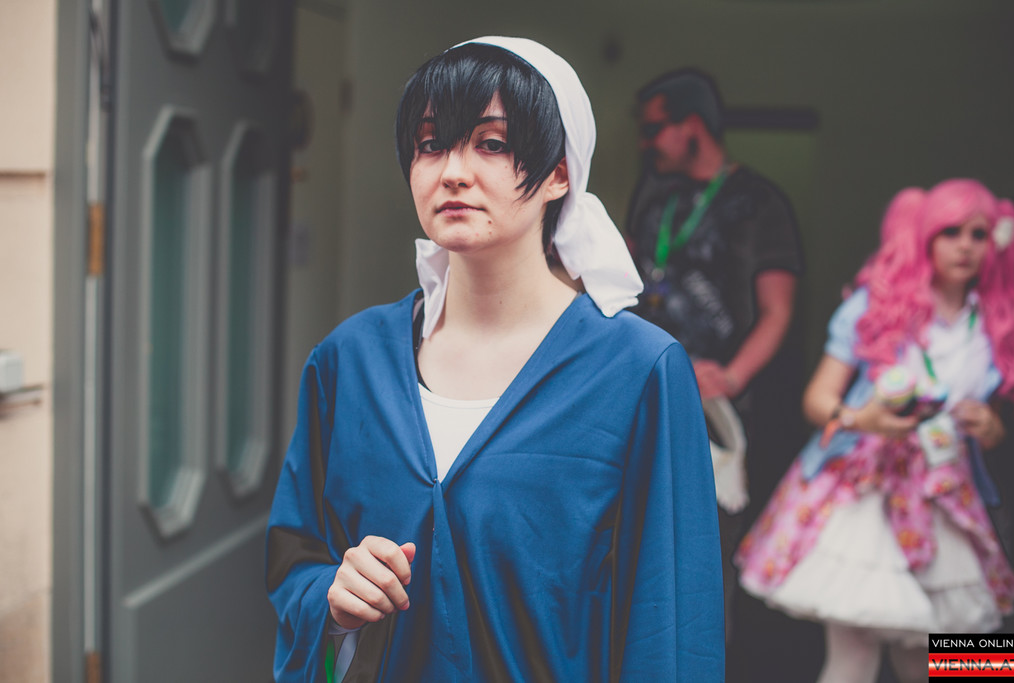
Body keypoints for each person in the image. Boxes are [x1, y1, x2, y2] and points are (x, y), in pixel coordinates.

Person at [265, 37, 724, 682]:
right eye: (431, 144)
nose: (453, 171)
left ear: (559, 173)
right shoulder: (349, 360)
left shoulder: (638, 372)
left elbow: (670, 626)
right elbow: (296, 559)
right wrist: (334, 601)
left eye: (491, 143)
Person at [735, 179, 1014, 683]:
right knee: (854, 657)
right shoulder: (877, 304)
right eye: (950, 231)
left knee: (942, 659)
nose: (964, 246)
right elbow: (817, 399)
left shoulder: (995, 321)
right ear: (925, 236)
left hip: (951, 496)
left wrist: (991, 426)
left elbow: (994, 432)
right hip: (869, 492)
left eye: (978, 234)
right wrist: (861, 418)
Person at [625, 68, 806, 656]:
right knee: (638, 555)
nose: (646, 143)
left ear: (693, 125)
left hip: (719, 420)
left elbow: (778, 311)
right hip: (646, 399)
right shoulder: (655, 197)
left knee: (705, 561)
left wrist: (730, 376)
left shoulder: (759, 203)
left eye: (654, 128)